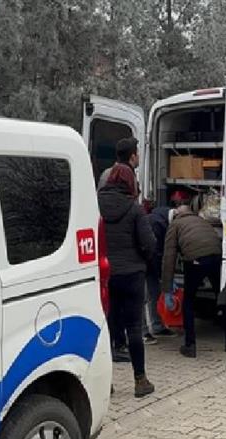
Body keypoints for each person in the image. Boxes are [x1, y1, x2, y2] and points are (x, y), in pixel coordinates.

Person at [98, 163, 156, 397]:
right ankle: (140, 381)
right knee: (133, 328)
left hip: (105, 275)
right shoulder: (134, 209)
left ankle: (105, 384)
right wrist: (142, 260)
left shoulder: (95, 205)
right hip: (132, 275)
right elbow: (149, 243)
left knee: (107, 329)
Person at [161, 205, 226, 358]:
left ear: (176, 215)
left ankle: (190, 345)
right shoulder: (201, 220)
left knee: (188, 302)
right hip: (216, 257)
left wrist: (166, 287)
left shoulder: (175, 225)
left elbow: (169, 257)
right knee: (222, 297)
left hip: (195, 260)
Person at [143, 205, 177, 343]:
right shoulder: (158, 224)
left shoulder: (162, 218)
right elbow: (155, 253)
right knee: (143, 297)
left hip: (147, 261)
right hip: (142, 261)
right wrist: (162, 276)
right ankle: (143, 332)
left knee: (154, 293)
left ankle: (157, 326)